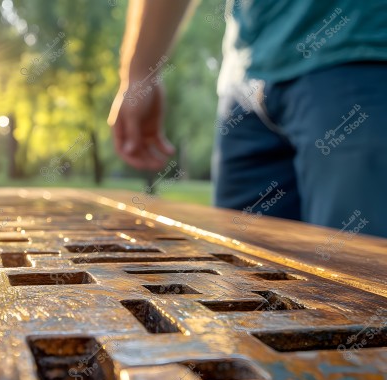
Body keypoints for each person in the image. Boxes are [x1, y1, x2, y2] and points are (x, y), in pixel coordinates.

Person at [108, 0, 387, 238]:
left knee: (362, 280)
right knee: (238, 284)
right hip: (242, 83)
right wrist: (140, 73)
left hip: (359, 55)